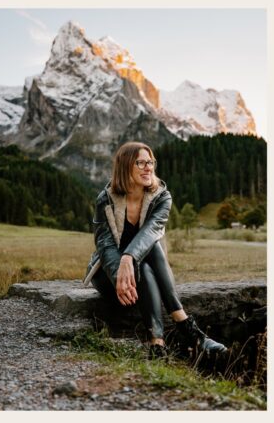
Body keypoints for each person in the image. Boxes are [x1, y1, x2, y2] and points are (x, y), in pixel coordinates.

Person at [82, 142, 227, 358]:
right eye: (140, 162)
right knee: (144, 255)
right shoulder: (105, 199)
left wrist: (129, 257)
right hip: (110, 276)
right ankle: (189, 330)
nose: (148, 167)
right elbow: (104, 243)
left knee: (152, 244)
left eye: (150, 162)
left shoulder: (161, 197)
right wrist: (120, 269)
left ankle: (157, 343)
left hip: (144, 269)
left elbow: (150, 232)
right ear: (124, 167)